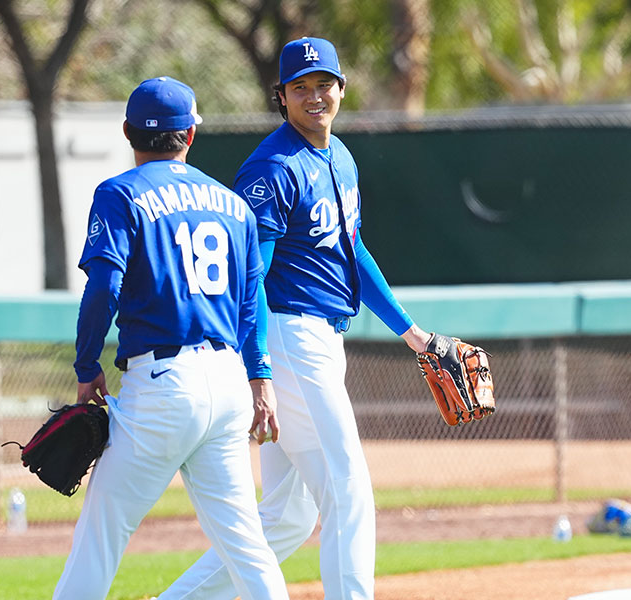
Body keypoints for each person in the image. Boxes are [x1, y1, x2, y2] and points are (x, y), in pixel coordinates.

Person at [156, 38, 435, 600]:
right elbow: (248, 277)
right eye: (300, 87)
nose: (314, 96)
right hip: (288, 335)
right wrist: (257, 367)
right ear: (280, 97)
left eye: (323, 84)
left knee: (286, 515)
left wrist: (415, 336)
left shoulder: (340, 157)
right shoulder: (273, 166)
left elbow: (351, 250)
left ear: (341, 89)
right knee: (348, 486)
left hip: (321, 338)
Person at [52, 76, 289, 600]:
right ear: (190, 134)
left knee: (101, 536)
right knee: (246, 544)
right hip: (228, 383)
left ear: (126, 132)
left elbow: (104, 287)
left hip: (161, 387)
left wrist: (87, 365)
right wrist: (260, 375)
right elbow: (252, 307)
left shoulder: (120, 193)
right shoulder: (234, 205)